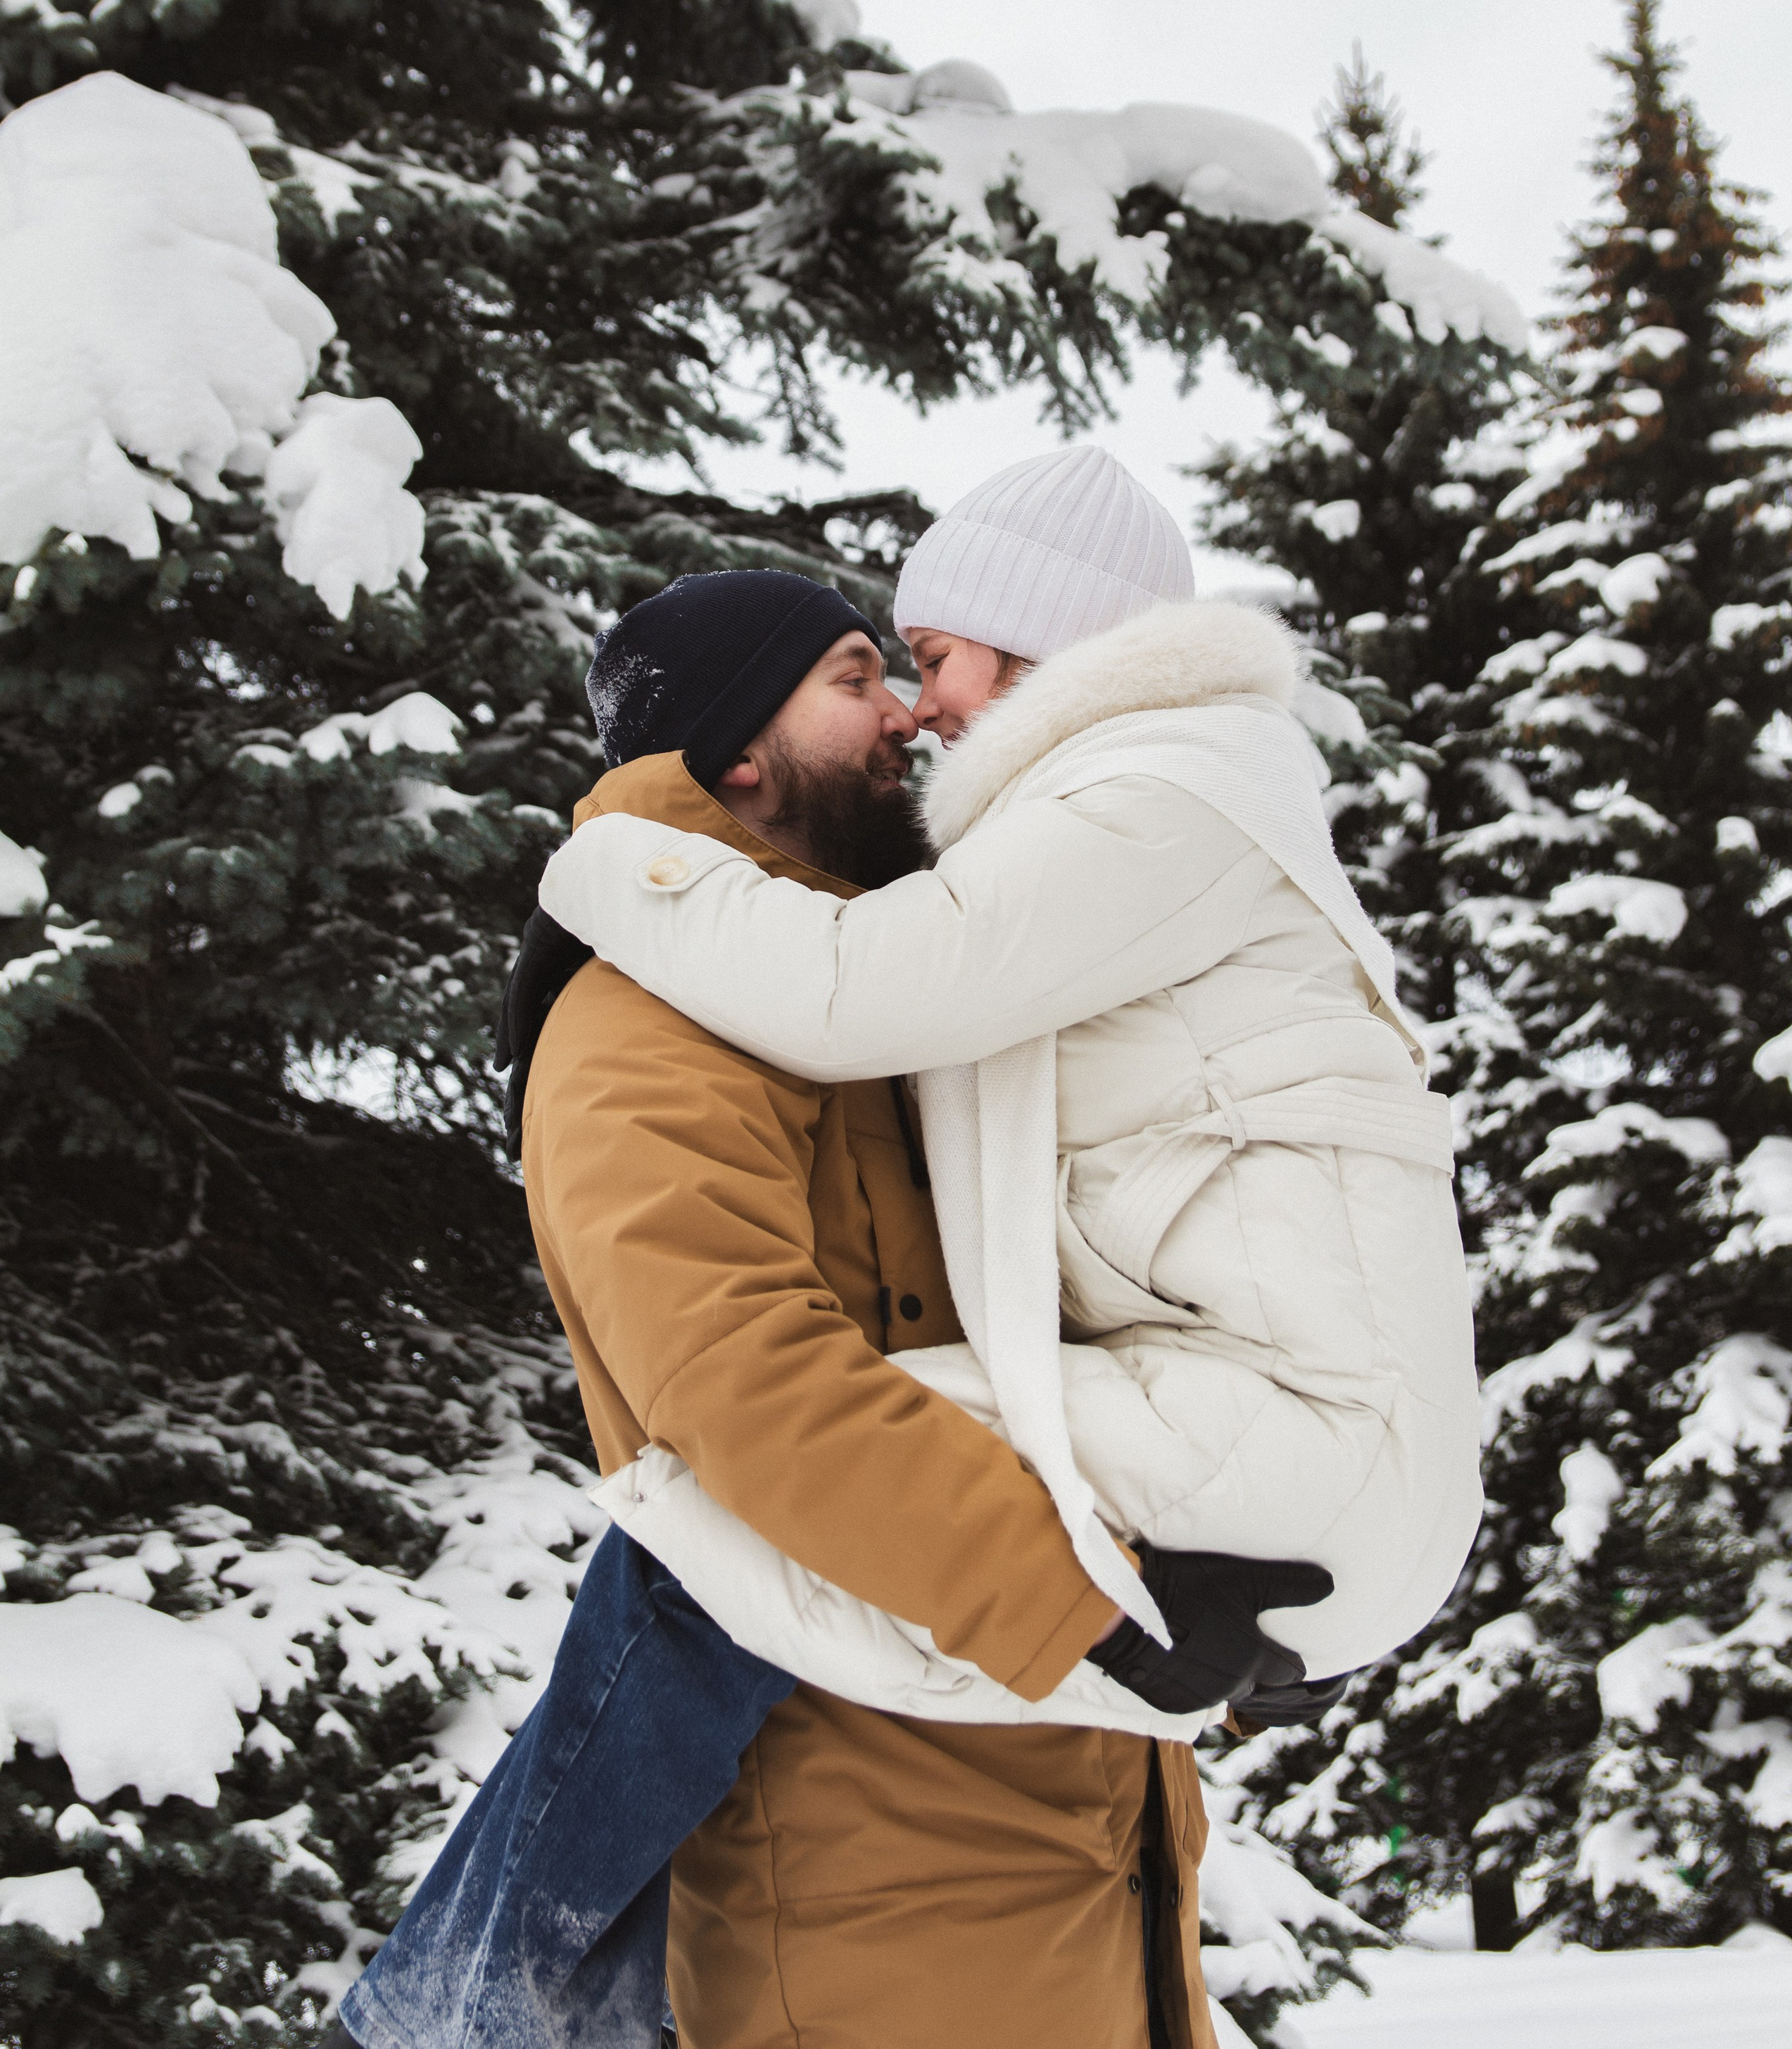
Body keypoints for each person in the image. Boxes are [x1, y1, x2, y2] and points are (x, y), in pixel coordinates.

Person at [346, 561, 1323, 2049]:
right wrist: (1092, 1609)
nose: (910, 716)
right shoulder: (645, 1016)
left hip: (1064, 1836)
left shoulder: (880, 1007)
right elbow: (737, 1378)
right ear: (740, 751)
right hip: (864, 1872)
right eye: (858, 679)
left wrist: (1208, 1628)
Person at [541, 446, 1482, 1725]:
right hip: (1294, 1451)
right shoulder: (1144, 803)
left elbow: (856, 989)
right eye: (877, 675)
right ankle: (1157, 1668)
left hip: (1306, 1434)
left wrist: (608, 855)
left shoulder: (1165, 791)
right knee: (804, 1487)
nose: (920, 709)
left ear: (1031, 639)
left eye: (932, 658)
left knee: (742, 1487)